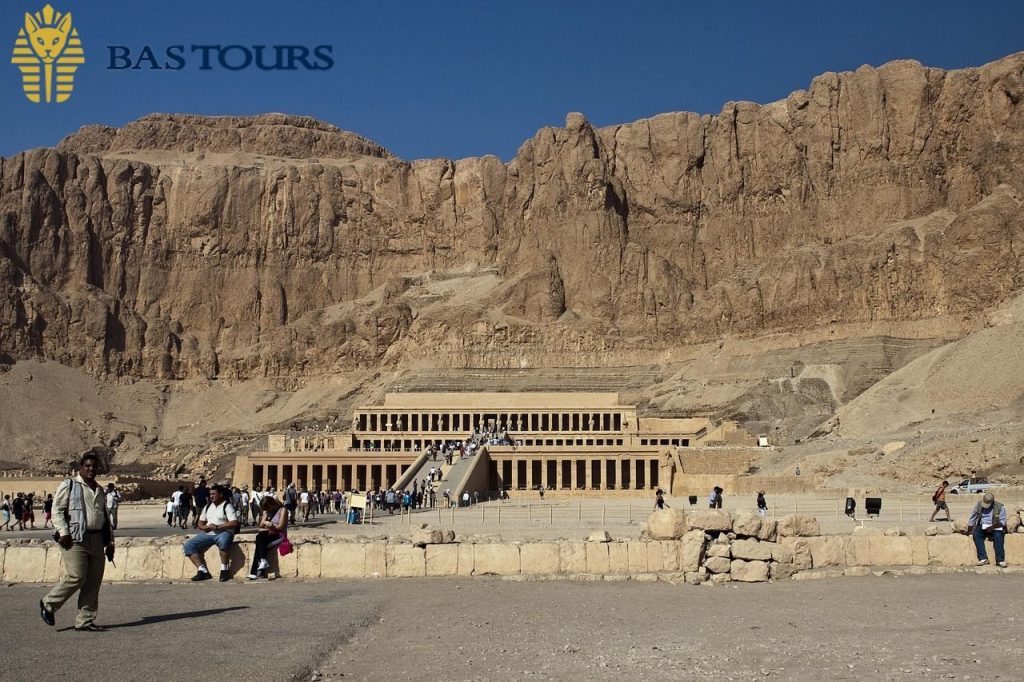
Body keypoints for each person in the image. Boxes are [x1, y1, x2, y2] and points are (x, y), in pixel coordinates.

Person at [40, 453, 114, 631]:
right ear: (81, 467)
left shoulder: (99, 489)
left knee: (93, 581)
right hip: (75, 538)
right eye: (87, 466)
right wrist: (63, 532)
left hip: (97, 538)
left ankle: (85, 620)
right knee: (77, 576)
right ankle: (49, 603)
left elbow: (105, 516)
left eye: (94, 466)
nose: (91, 469)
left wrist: (110, 542)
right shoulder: (70, 485)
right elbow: (57, 510)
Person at [183, 485, 239, 582]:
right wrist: (204, 527)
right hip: (209, 534)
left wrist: (218, 527)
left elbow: (234, 523)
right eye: (210, 494)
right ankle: (202, 570)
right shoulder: (208, 506)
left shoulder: (227, 506)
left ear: (220, 494)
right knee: (189, 545)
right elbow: (200, 523)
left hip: (223, 532)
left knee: (224, 542)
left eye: (213, 494)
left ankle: (224, 570)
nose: (211, 496)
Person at [247, 495, 288, 580]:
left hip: (279, 535)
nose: (267, 510)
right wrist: (265, 521)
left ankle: (254, 572)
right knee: (260, 538)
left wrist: (271, 525)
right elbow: (260, 525)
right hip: (268, 534)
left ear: (271, 504)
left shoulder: (282, 510)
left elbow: (280, 526)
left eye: (267, 508)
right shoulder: (267, 511)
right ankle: (263, 562)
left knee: (259, 542)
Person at [966, 492, 1008, 567]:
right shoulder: (979, 505)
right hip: (983, 525)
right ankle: (983, 558)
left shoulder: (1000, 507)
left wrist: (992, 527)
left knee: (998, 536)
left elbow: (1002, 521)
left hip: (995, 525)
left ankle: (1000, 560)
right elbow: (973, 518)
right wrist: (968, 532)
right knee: (976, 534)